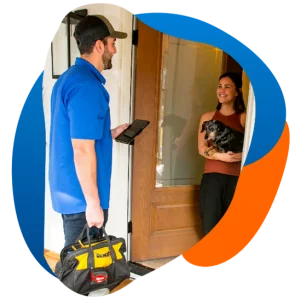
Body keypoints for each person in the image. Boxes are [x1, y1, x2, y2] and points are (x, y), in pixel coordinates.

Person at [48, 15, 129, 248]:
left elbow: (76, 134)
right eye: (113, 43)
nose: (114, 50)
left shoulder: (69, 79)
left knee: (79, 267)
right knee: (82, 274)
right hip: (82, 199)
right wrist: (93, 203)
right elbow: (82, 148)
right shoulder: (86, 86)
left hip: (72, 193)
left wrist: (109, 133)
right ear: (99, 45)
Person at [198, 72, 247, 236]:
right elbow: (201, 147)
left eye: (227, 87)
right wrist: (221, 156)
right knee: (210, 229)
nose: (222, 90)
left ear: (237, 91)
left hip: (237, 180)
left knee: (233, 230)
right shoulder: (208, 117)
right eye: (220, 86)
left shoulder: (244, 118)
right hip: (212, 179)